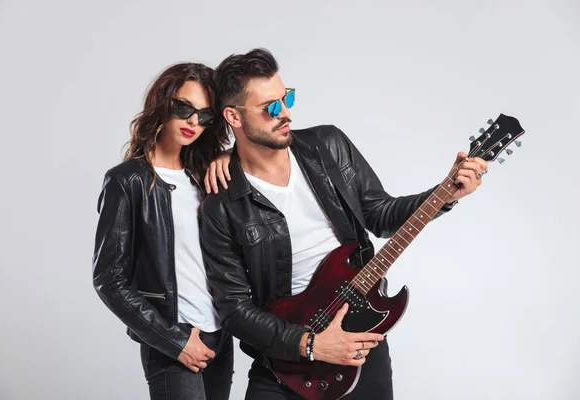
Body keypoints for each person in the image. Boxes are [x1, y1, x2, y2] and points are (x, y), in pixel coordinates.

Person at [199, 48, 488, 400]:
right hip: (283, 356)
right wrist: (311, 345)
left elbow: (380, 214)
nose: (286, 113)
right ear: (234, 117)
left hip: (360, 338)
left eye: (286, 98)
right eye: (271, 108)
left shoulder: (328, 146)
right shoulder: (222, 201)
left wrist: (445, 194)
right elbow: (234, 309)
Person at [92, 62, 235, 400]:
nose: (192, 121)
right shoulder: (128, 181)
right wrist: (174, 340)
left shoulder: (205, 175)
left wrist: (231, 154)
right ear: (162, 103)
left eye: (204, 115)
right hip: (174, 339)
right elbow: (108, 279)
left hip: (221, 336)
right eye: (184, 108)